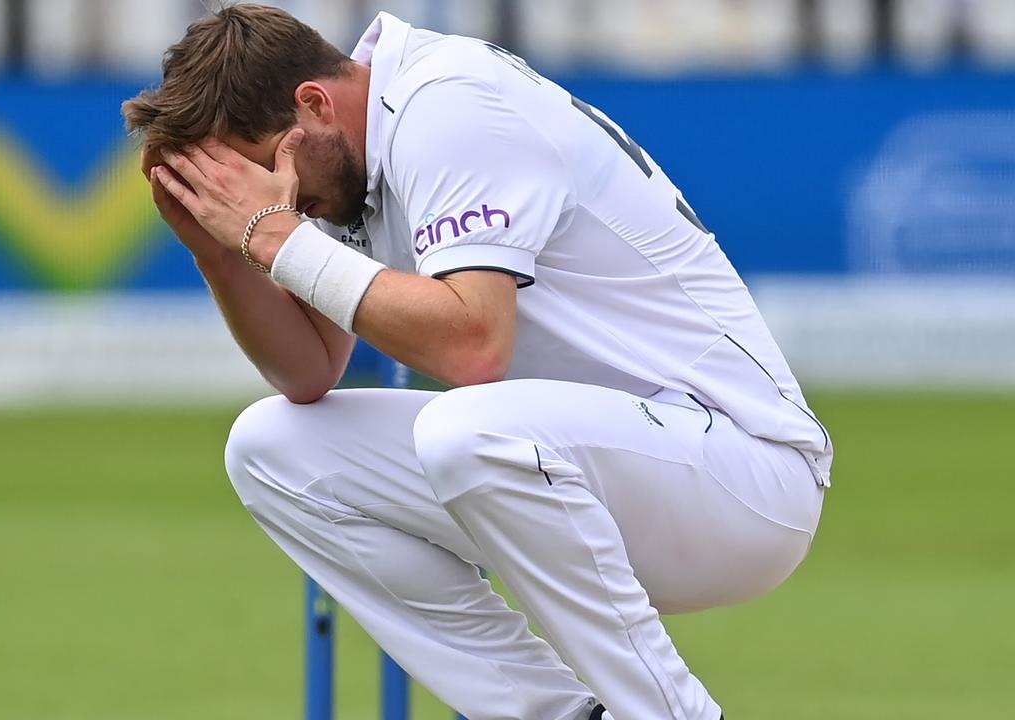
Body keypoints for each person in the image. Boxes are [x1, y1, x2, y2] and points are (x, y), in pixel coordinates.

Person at [123, 5, 830, 719]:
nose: (274, 203)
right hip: (589, 470)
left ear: (314, 105)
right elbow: (309, 373)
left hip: (742, 470)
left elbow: (473, 346)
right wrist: (223, 253)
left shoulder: (447, 105)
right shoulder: (345, 153)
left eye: (264, 173)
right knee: (273, 448)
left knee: (468, 431)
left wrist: (274, 238)